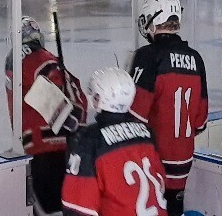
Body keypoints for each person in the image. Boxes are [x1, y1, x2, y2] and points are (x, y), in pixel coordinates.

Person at [129, 0, 207, 216]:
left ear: (153, 20)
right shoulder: (196, 59)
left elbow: (134, 117)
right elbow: (200, 122)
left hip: (151, 161)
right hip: (183, 163)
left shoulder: (148, 56)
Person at [5, 16, 87, 216]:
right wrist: (73, 122)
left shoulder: (15, 59)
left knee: (45, 208)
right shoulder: (40, 56)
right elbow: (57, 90)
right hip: (54, 147)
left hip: (35, 147)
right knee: (59, 206)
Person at [62, 67, 168, 216]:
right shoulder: (148, 134)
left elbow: (78, 206)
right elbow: (161, 181)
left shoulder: (90, 140)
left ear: (98, 99)